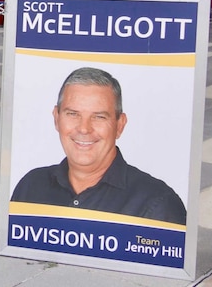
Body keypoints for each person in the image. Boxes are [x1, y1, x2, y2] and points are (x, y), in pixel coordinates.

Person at [11, 67, 187, 225]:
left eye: (99, 117)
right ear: (56, 119)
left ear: (120, 125)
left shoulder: (157, 205)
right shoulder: (30, 187)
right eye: (73, 114)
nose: (84, 129)